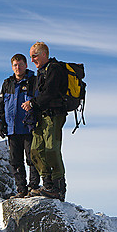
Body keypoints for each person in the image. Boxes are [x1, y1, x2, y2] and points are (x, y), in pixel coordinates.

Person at [21, 42, 68, 200]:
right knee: (35, 150)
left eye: (34, 56)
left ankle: (58, 188)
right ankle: (47, 185)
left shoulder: (54, 69)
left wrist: (32, 103)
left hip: (53, 116)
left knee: (51, 150)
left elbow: (50, 92)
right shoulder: (41, 72)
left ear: (44, 54)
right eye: (31, 57)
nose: (32, 60)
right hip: (41, 117)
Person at [0, 53, 40, 198]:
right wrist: (0, 122)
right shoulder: (7, 83)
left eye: (20, 64)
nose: (18, 67)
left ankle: (33, 187)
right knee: (15, 161)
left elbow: (40, 102)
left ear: (26, 65)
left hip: (29, 127)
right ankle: (21, 189)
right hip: (12, 128)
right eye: (15, 65)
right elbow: (1, 104)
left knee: (32, 159)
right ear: (12, 67)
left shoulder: (34, 81)